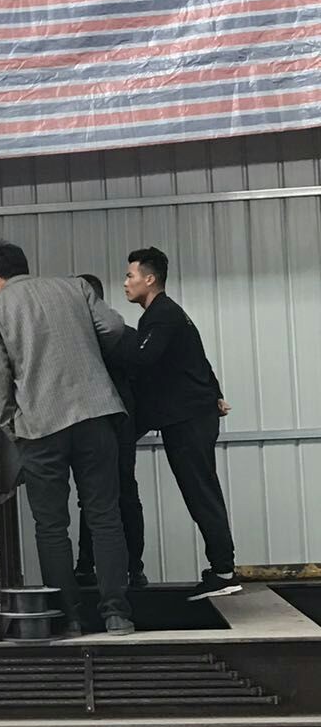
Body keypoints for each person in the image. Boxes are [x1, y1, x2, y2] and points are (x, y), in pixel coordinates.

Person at [0, 241, 135, 636]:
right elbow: (114, 327)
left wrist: (11, 424)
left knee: (51, 526)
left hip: (40, 426)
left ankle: (71, 618)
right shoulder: (75, 286)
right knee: (105, 517)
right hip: (96, 414)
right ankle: (117, 614)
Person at [123, 247, 240, 600]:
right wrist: (215, 393)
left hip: (188, 419)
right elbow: (196, 360)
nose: (125, 282)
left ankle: (223, 571)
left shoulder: (161, 316)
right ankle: (222, 568)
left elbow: (143, 361)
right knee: (202, 490)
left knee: (201, 492)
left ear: (149, 279)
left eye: (130, 276)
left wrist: (111, 344)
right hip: (191, 414)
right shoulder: (168, 314)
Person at [73, 273, 146, 590]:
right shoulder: (124, 335)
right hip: (119, 425)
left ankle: (88, 566)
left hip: (95, 426)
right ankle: (132, 568)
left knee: (95, 497)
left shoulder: (77, 342)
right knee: (123, 494)